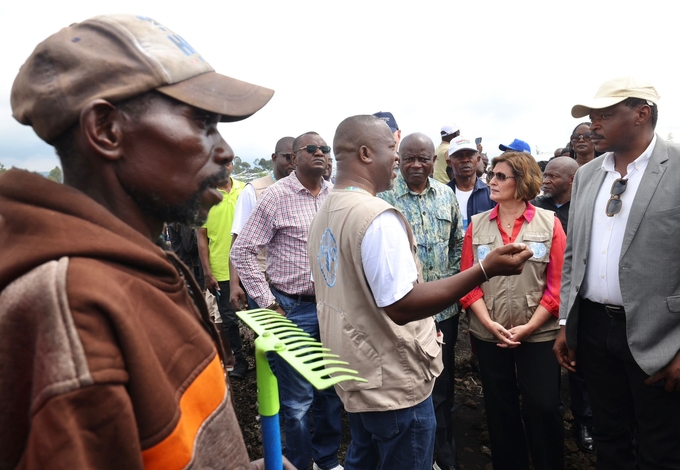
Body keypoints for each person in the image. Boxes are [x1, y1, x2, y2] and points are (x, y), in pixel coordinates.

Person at [0, 14, 297, 469]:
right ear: (106, 130)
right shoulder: (75, 310)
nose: (225, 151)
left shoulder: (139, 266)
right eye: (202, 122)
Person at [308, 114, 534, 470]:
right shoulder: (376, 216)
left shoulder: (328, 208)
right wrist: (485, 269)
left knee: (363, 458)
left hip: (356, 370)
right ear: (366, 154)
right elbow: (402, 305)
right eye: (392, 151)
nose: (397, 160)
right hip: (392, 383)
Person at [554, 76, 680, 469]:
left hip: (658, 335)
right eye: (592, 116)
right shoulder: (589, 175)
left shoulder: (676, 168)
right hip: (593, 330)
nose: (594, 124)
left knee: (661, 446)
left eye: (605, 115)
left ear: (642, 113)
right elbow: (574, 256)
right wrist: (566, 324)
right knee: (609, 438)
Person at [231, 132, 344, 470]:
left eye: (325, 149)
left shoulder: (335, 195)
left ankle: (326, 459)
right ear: (294, 158)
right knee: (296, 401)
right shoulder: (276, 197)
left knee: (331, 391)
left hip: (331, 308)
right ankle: (297, 463)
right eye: (312, 149)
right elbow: (242, 250)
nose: (321, 153)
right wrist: (268, 305)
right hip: (291, 309)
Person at [460, 151, 566, 470]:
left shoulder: (550, 224)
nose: (491, 180)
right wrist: (489, 324)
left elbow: (557, 284)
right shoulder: (477, 226)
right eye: (492, 174)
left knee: (544, 406)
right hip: (490, 334)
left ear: (522, 182)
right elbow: (468, 282)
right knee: (499, 407)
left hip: (538, 335)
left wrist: (530, 327)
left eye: (501, 176)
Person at [378, 132, 465, 470]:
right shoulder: (383, 198)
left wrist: (451, 286)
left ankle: (444, 456)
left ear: (434, 161)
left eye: (423, 159)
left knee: (442, 386)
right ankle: (415, 456)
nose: (416, 165)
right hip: (401, 315)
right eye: (409, 158)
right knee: (406, 386)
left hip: (443, 312)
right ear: (398, 159)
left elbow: (458, 242)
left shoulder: (446, 196)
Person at [530, 156, 594, 453]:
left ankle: (584, 421)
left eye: (553, 176)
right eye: (545, 174)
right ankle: (547, 410)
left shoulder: (585, 209)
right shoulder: (537, 208)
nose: (546, 180)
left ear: (572, 180)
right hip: (540, 298)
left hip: (575, 297)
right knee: (545, 365)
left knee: (578, 363)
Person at [229, 136, 295, 311]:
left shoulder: (303, 190)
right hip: (260, 278)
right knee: (269, 335)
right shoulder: (254, 190)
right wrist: (234, 284)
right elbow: (238, 241)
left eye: (296, 157)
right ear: (274, 158)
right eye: (288, 157)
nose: (293, 162)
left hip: (292, 284)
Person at [197, 157, 248, 378]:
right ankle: (240, 362)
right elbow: (201, 238)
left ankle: (265, 360)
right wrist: (207, 272)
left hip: (250, 266)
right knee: (229, 320)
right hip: (221, 269)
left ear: (232, 165)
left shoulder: (246, 191)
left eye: (225, 162)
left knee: (259, 315)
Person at [446, 136, 496, 231]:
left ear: (477, 160)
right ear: (449, 162)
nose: (465, 160)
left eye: (469, 155)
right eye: (459, 156)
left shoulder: (491, 195)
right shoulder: (441, 195)